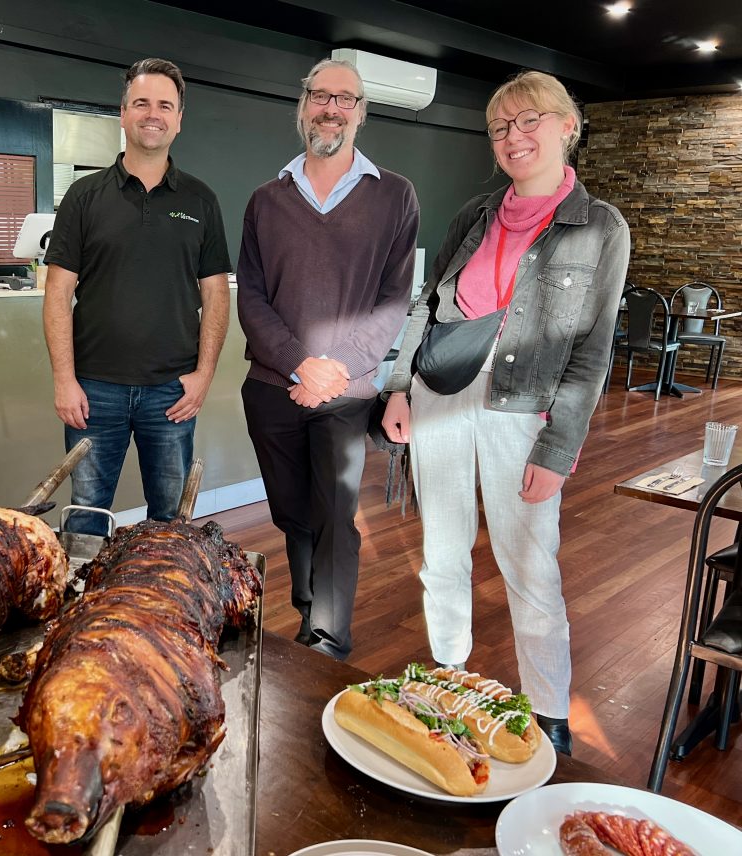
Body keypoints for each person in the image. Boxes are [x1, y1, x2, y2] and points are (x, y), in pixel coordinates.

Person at [381, 71, 631, 756]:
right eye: (500, 127)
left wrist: (559, 451)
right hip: (440, 392)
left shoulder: (600, 226)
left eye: (529, 121)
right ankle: (448, 675)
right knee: (442, 550)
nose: (514, 137)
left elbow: (592, 349)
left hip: (523, 411)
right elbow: (427, 308)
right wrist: (399, 386)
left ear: (565, 126)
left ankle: (550, 711)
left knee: (529, 562)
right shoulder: (474, 214)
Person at [236, 58, 420, 661]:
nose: (331, 108)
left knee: (335, 517)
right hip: (274, 389)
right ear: (303, 106)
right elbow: (253, 298)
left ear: (362, 112)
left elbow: (395, 298)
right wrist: (298, 366)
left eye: (346, 99)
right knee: (292, 514)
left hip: (345, 392)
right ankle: (311, 614)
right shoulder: (266, 199)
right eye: (321, 96)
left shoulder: (394, 195)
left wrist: (334, 370)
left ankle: (329, 639)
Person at [43, 58, 231, 535]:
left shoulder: (201, 200)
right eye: (142, 103)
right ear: (123, 113)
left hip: (171, 393)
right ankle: (83, 609)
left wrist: (205, 375)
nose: (154, 114)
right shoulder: (84, 197)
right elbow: (58, 292)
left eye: (165, 105)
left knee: (170, 522)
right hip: (93, 391)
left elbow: (216, 294)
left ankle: (160, 610)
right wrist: (64, 380)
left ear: (179, 119)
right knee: (84, 518)